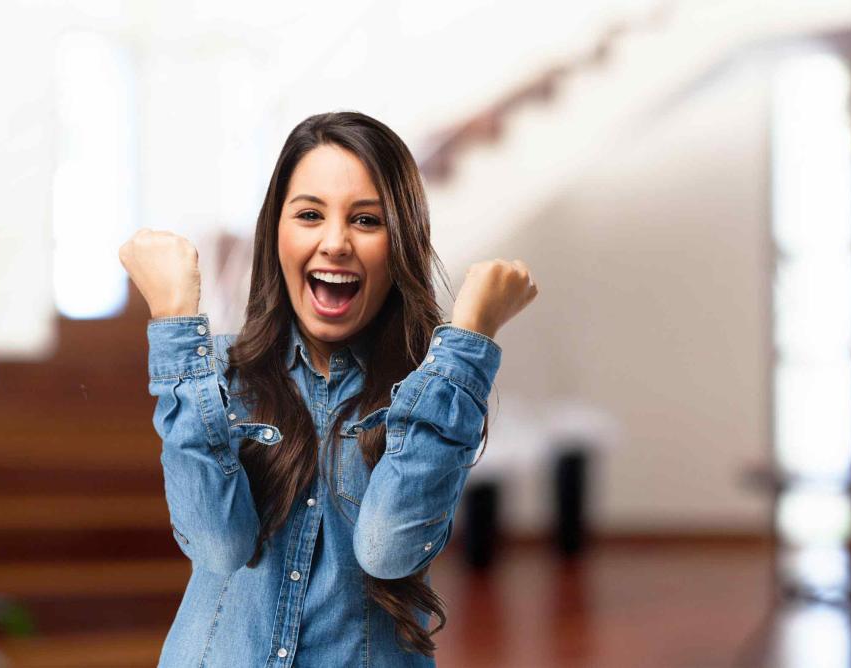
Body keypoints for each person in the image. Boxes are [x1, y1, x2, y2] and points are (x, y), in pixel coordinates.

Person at [118, 111, 538, 667]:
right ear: (277, 234)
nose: (335, 242)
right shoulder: (211, 375)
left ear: (401, 242)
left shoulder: (430, 394)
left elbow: (389, 548)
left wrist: (469, 339)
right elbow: (217, 544)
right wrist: (173, 322)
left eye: (367, 220)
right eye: (310, 214)